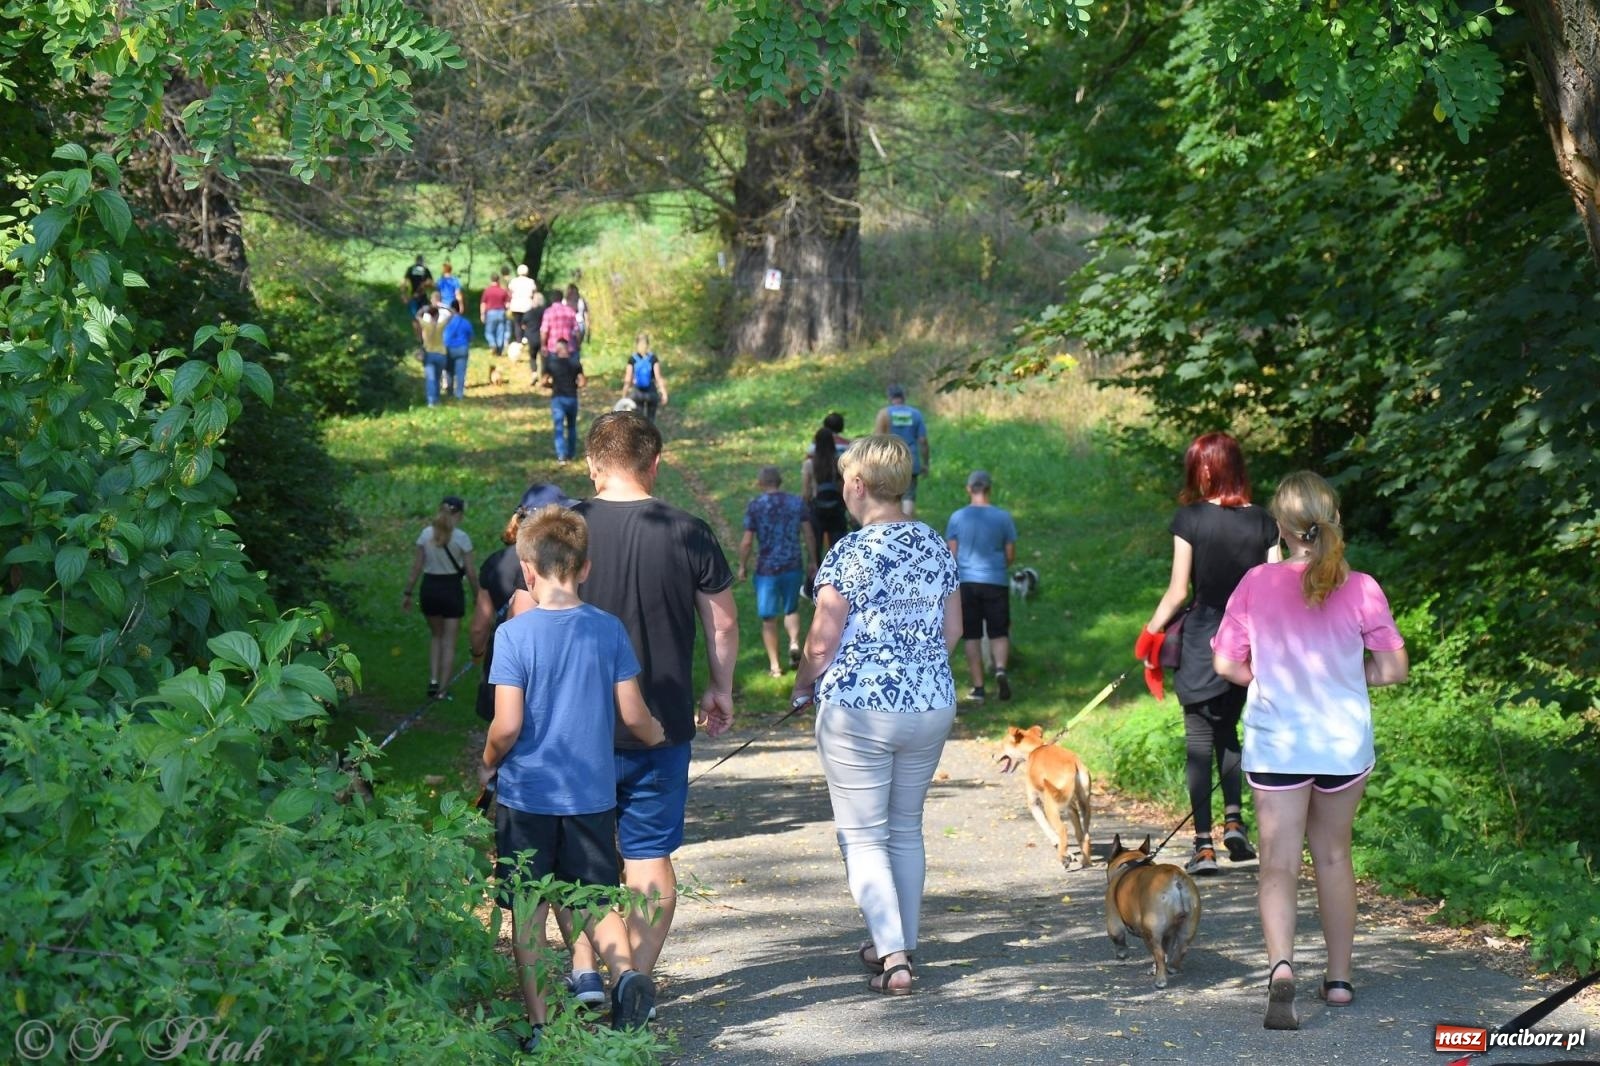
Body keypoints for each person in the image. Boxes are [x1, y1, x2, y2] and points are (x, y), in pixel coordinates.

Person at [1211, 470, 1408, 1029]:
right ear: (1332, 520)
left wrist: (1270, 678)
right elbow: (1394, 669)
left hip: (1277, 746)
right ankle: (1340, 980)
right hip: (1342, 747)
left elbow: (1226, 663)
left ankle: (1280, 969)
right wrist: (1346, 674)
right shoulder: (1362, 586)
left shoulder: (1255, 582)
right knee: (1333, 857)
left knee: (1276, 862)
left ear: (1280, 524)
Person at [480, 504, 666, 1051]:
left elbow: (507, 724)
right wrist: (656, 735)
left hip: (527, 799)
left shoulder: (515, 637)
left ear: (527, 571)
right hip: (590, 795)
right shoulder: (607, 630)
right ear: (584, 568)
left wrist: (489, 760)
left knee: (531, 912)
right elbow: (634, 716)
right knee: (594, 898)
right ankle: (627, 979)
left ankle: (540, 1029)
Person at [565, 412, 738, 1001]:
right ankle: (631, 979)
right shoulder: (688, 529)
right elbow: (723, 622)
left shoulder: (567, 530)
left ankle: (588, 975)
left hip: (573, 728)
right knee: (649, 860)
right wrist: (720, 687)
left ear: (592, 466)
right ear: (655, 462)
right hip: (659, 723)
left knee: (582, 861)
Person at [791, 434, 961, 996]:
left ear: (858, 486)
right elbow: (953, 631)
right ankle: (899, 942)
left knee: (864, 836)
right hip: (929, 702)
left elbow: (820, 644)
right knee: (906, 828)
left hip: (860, 711)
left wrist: (801, 688)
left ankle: (893, 958)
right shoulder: (936, 545)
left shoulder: (849, 551)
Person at [1138, 432, 1281, 876]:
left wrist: (1150, 633)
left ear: (1205, 468)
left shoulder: (1190, 519)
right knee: (1229, 733)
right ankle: (1235, 824)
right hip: (1250, 643)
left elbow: (1179, 590)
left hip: (1203, 640)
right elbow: (1276, 588)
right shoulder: (1265, 522)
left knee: (1199, 742)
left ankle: (1203, 847)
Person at [469, 483, 573, 723]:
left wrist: (477, 652)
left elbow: (479, 625)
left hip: (502, 659)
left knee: (503, 727)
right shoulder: (557, 563)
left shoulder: (495, 562)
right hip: (546, 660)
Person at [945, 469, 1018, 703]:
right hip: (995, 580)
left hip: (966, 582)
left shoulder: (957, 518)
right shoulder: (1003, 517)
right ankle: (1000, 670)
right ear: (989, 489)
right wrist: (999, 566)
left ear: (969, 489)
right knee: (999, 631)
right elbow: (1010, 553)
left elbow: (952, 554)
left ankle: (978, 687)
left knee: (972, 636)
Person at [737, 465, 817, 677]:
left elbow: (746, 542)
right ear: (779, 482)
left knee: (768, 619)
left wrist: (743, 565)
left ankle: (775, 666)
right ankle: (793, 642)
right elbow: (809, 534)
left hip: (766, 570)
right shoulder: (796, 503)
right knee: (791, 609)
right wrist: (813, 560)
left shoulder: (755, 506)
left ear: (761, 483)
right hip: (793, 565)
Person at [401, 495, 478, 699]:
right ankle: (443, 689)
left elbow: (417, 567)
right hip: (451, 589)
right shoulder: (461, 538)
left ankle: (433, 681)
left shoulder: (426, 535)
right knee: (449, 642)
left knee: (436, 636)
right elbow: (470, 572)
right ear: (460, 514)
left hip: (430, 588)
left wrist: (408, 593)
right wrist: (477, 595)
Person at [873, 384, 930, 517]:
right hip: (911, 460)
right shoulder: (916, 414)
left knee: (890, 496)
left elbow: (877, 440)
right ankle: (906, 523)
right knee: (908, 496)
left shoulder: (884, 414)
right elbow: (923, 441)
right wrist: (926, 463)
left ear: (890, 398)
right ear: (904, 397)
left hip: (888, 460)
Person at [801, 427, 850, 561]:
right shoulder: (838, 463)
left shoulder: (810, 464)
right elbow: (843, 487)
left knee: (815, 548)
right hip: (836, 510)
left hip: (817, 510)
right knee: (838, 550)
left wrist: (804, 509)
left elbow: (806, 492)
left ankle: (814, 576)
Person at [542, 338, 586, 464]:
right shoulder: (575, 363)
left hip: (558, 398)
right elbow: (583, 382)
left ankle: (562, 455)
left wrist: (552, 386)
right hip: (572, 398)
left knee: (559, 427)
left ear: (559, 348)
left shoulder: (551, 363)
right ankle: (571, 454)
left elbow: (543, 381)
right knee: (572, 427)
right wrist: (574, 386)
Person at [622, 332, 669, 422]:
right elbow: (658, 377)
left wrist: (624, 395)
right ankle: (651, 435)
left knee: (638, 421)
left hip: (637, 392)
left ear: (636, 344)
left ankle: (639, 435)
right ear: (648, 344)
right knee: (651, 421)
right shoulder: (653, 358)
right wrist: (664, 393)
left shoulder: (632, 359)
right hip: (651, 391)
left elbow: (628, 378)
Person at [414, 296, 450, 407]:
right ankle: (437, 399)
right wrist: (443, 306)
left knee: (430, 378)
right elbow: (452, 314)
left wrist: (425, 308)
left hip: (429, 354)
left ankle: (431, 401)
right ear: (438, 315)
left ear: (429, 315)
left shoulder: (426, 325)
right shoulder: (440, 325)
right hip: (441, 354)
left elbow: (417, 316)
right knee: (438, 378)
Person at [539, 283, 579, 379]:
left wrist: (543, 345)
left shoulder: (548, 312)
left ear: (551, 299)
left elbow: (544, 331)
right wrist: (578, 344)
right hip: (570, 346)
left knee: (555, 372)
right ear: (562, 298)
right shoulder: (570, 311)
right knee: (569, 373)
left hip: (553, 347)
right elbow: (577, 330)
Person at [442, 300, 473, 400]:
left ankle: (449, 392)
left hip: (449, 349)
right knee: (461, 372)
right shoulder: (465, 322)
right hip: (462, 349)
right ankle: (459, 394)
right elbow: (471, 336)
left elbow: (443, 336)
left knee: (449, 371)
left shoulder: (446, 322)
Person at [508, 265, 539, 353]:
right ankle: (525, 340)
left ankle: (518, 341)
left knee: (517, 324)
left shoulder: (514, 281)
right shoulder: (531, 282)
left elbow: (510, 292)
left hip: (516, 306)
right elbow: (534, 293)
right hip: (527, 306)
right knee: (527, 325)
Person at [480, 272, 511, 358]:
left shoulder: (487, 291)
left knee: (489, 332)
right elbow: (507, 304)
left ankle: (492, 344)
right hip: (501, 312)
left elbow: (483, 303)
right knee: (500, 332)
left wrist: (482, 314)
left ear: (491, 280)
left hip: (490, 312)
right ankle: (499, 351)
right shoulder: (503, 291)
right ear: (498, 280)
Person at [568, 283, 590, 357]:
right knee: (577, 346)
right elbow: (586, 316)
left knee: (571, 345)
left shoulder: (565, 301)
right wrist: (588, 329)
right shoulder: (581, 300)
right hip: (580, 324)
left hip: (572, 325)